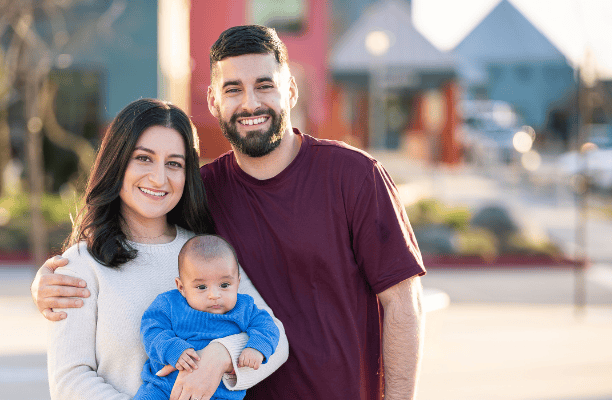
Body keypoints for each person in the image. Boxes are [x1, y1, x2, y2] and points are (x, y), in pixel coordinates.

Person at [33, 25, 426, 400]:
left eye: (265, 85)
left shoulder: (353, 176)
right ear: (212, 101)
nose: (250, 103)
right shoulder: (202, 193)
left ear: (290, 90)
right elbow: (134, 244)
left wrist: (222, 354)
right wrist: (48, 281)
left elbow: (403, 304)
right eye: (233, 88)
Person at [46, 98, 288, 400]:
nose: (159, 178)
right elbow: (69, 379)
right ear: (117, 161)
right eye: (144, 158)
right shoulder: (81, 264)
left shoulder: (204, 252)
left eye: (174, 164)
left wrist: (222, 355)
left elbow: (276, 341)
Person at [135, 234, 280, 400]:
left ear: (238, 283)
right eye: (201, 287)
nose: (214, 295)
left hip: (220, 394)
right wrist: (171, 348)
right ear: (181, 287)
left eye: (224, 285)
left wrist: (256, 348)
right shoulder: (169, 304)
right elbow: (151, 328)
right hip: (164, 389)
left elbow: (268, 327)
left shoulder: (244, 308)